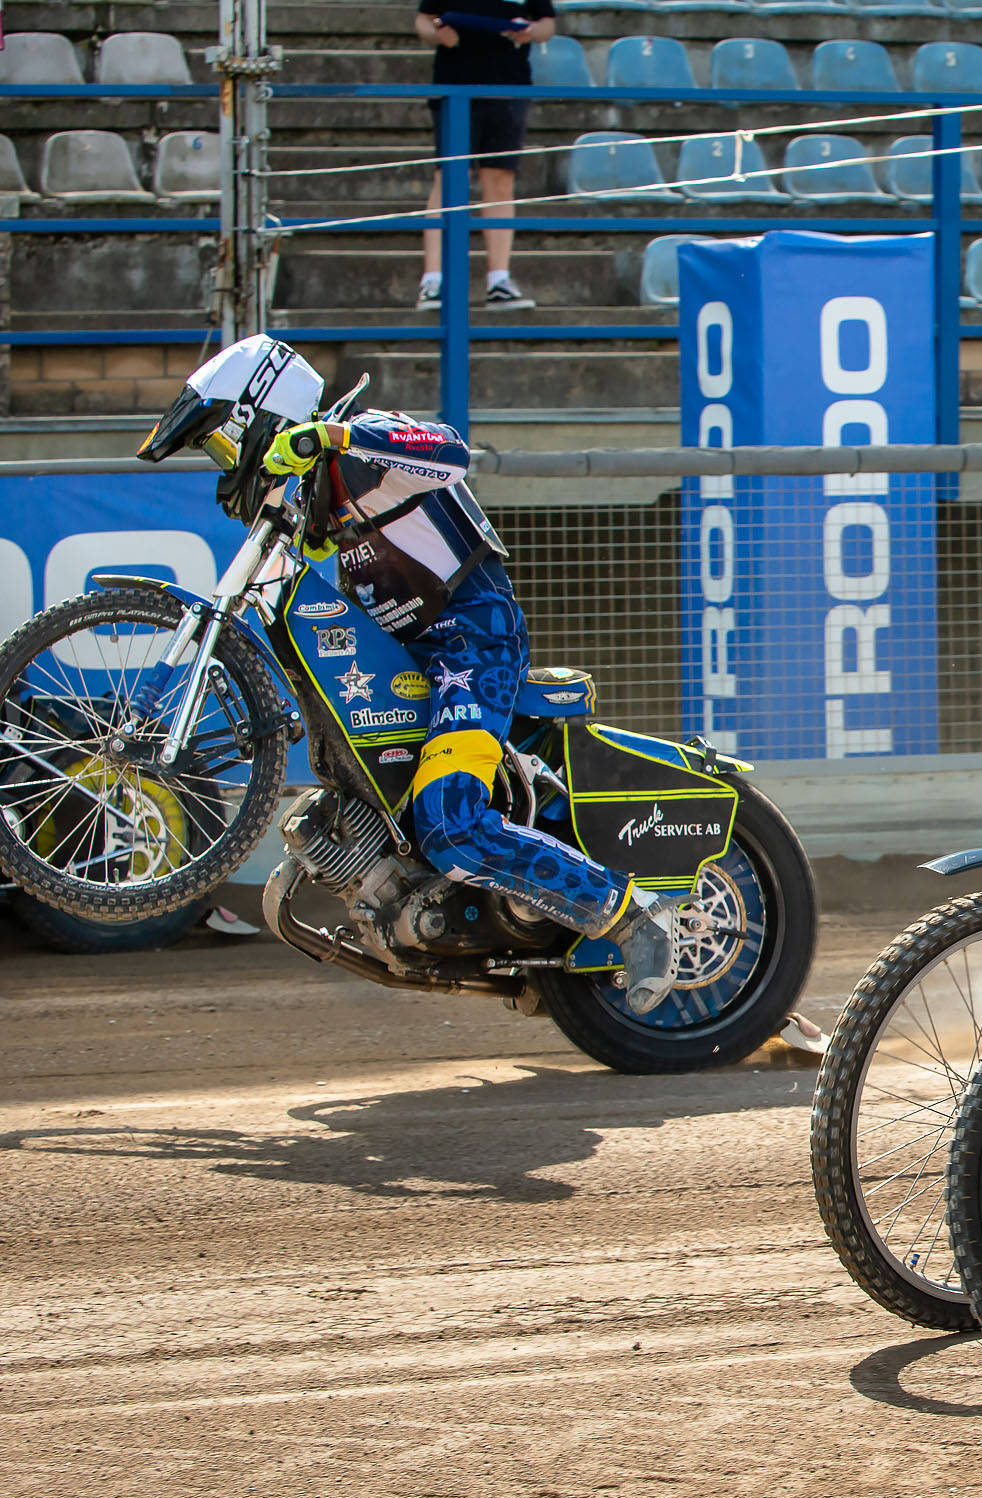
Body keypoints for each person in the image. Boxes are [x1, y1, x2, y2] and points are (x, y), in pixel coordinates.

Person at [133, 334, 689, 1008]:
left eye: (226, 441)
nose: (229, 462)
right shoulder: (319, 497)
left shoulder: (362, 442)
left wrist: (329, 436)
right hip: (407, 660)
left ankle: (633, 914)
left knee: (450, 824)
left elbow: (449, 450)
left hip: (470, 647)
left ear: (264, 412)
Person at [413, 0, 553, 312]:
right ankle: (434, 281)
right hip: (454, 84)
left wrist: (530, 32)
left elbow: (547, 24)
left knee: (500, 179)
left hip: (509, 86)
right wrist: (438, 35)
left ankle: (499, 280)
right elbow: (423, 20)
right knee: (450, 177)